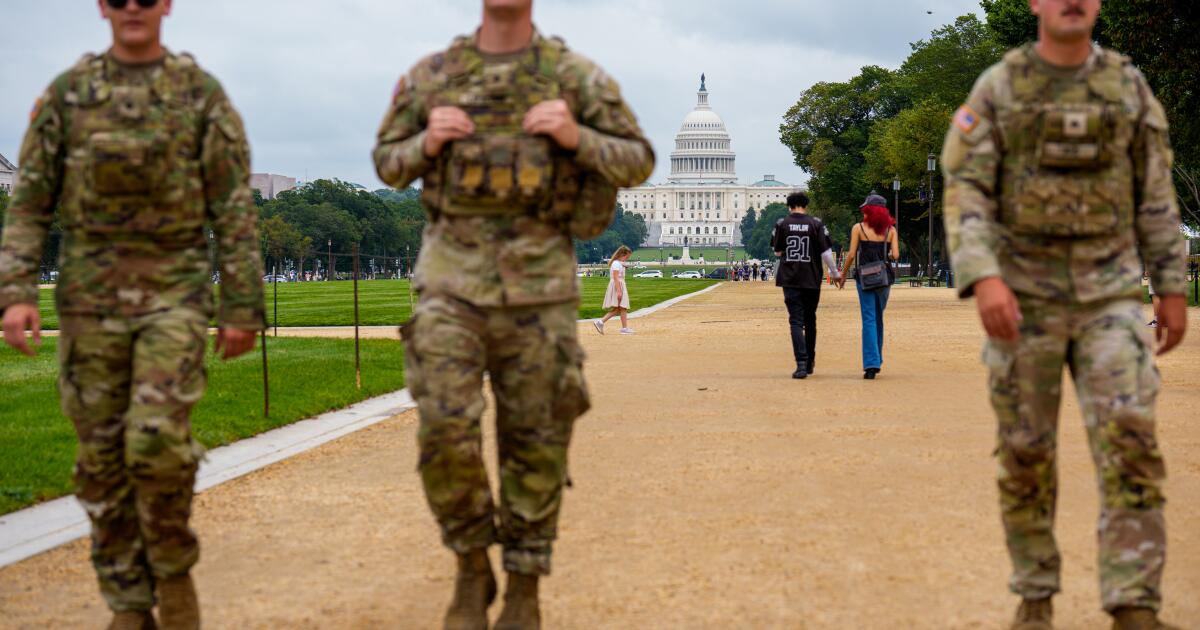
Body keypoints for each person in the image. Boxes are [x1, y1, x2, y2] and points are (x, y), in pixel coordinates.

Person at [372, 0, 654, 627]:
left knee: (535, 441)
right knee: (443, 427)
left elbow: (638, 160)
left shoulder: (576, 77)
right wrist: (427, 138)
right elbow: (388, 164)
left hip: (537, 288)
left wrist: (576, 135)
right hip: (451, 281)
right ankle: (472, 562)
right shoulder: (432, 75)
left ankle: (525, 579)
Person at [0, 1, 264, 628]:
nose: (134, 7)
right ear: (103, 6)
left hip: (173, 298)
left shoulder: (200, 95)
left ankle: (172, 577)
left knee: (156, 442)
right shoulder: (67, 97)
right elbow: (31, 203)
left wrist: (243, 303)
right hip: (90, 304)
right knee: (100, 460)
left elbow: (231, 206)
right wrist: (15, 289)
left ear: (166, 4)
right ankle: (127, 600)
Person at [941, 0, 1188, 627]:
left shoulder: (1127, 87)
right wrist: (985, 275)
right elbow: (966, 186)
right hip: (1023, 300)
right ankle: (1035, 596)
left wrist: (1170, 283)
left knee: (1131, 441)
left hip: (1109, 297)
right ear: (1035, 4)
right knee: (1025, 452)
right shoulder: (999, 88)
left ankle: (1134, 603)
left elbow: (1155, 191)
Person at [771, 192, 842, 379]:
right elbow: (826, 253)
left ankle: (800, 363)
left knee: (795, 320)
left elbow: (777, 252)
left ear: (789, 206)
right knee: (810, 320)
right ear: (806, 205)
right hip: (811, 277)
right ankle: (810, 360)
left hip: (791, 278)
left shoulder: (782, 224)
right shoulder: (816, 224)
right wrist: (835, 274)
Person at [837, 194, 899, 379]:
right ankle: (877, 359)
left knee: (869, 319)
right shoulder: (890, 230)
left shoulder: (859, 228)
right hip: (883, 278)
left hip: (864, 277)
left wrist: (842, 275)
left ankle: (871, 364)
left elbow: (851, 255)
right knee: (879, 318)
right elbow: (895, 255)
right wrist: (886, 253)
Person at [595, 245, 634, 335]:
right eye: (627, 256)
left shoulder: (618, 263)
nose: (627, 259)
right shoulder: (616, 264)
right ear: (622, 254)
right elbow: (616, 278)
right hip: (618, 285)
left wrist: (624, 265)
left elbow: (621, 266)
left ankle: (602, 322)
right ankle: (602, 322)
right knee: (621, 307)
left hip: (619, 284)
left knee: (620, 308)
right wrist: (619, 291)